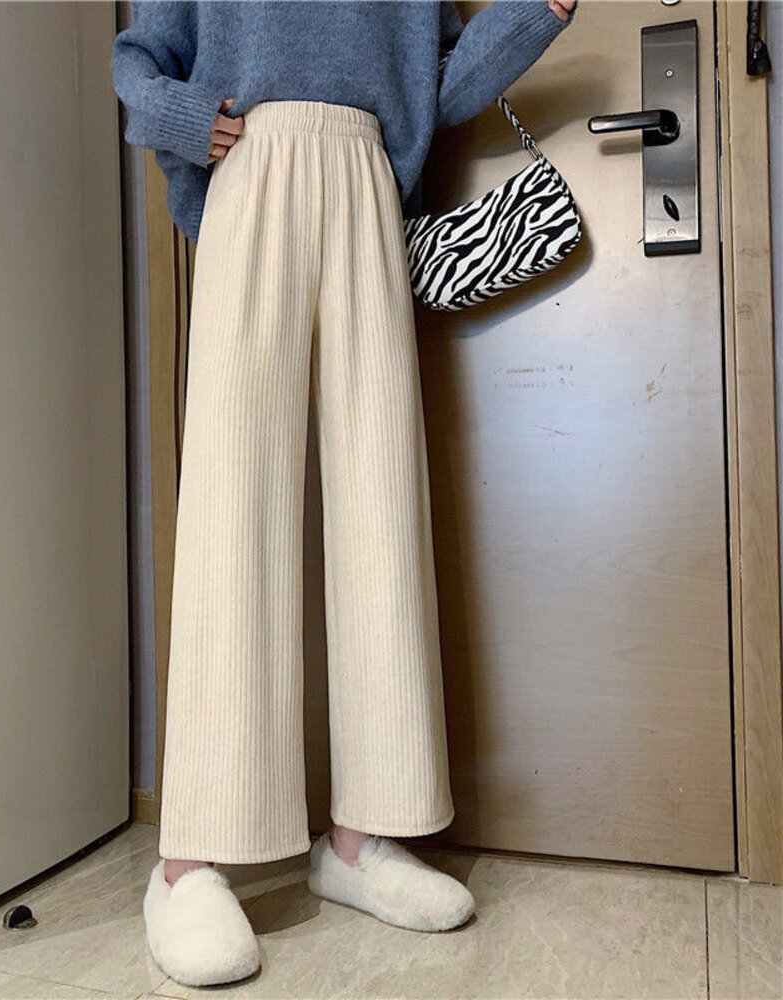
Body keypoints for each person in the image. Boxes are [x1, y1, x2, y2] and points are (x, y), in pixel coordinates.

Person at [110, 0, 576, 986]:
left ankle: (363, 839)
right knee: (233, 510)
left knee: (381, 504)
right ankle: (189, 862)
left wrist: (535, 14)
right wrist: (186, 119)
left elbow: (435, 86)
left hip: (367, 183)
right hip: (252, 172)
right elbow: (138, 58)